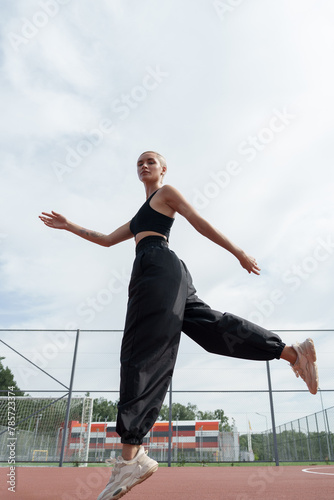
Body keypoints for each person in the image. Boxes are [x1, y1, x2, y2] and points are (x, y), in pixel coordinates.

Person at [39, 151, 318, 500]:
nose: (144, 165)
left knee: (142, 350)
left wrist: (238, 252)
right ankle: (293, 353)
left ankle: (131, 457)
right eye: (139, 162)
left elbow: (198, 221)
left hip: (157, 268)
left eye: (151, 161)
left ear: (163, 169)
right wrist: (69, 226)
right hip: (165, 271)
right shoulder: (142, 214)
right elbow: (107, 239)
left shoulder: (166, 193)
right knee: (211, 330)